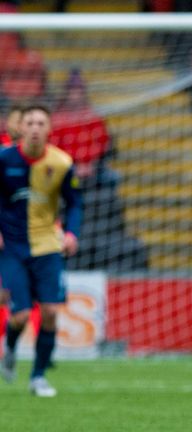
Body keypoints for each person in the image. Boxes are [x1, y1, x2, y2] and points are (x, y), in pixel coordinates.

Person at [0, 105, 82, 397]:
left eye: (41, 123)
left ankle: (38, 377)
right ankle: (9, 349)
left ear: (49, 129)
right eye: (30, 122)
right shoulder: (3, 159)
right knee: (20, 315)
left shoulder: (61, 162)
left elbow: (74, 203)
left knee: (49, 312)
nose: (35, 127)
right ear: (21, 128)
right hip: (11, 247)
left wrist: (71, 233)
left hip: (48, 246)